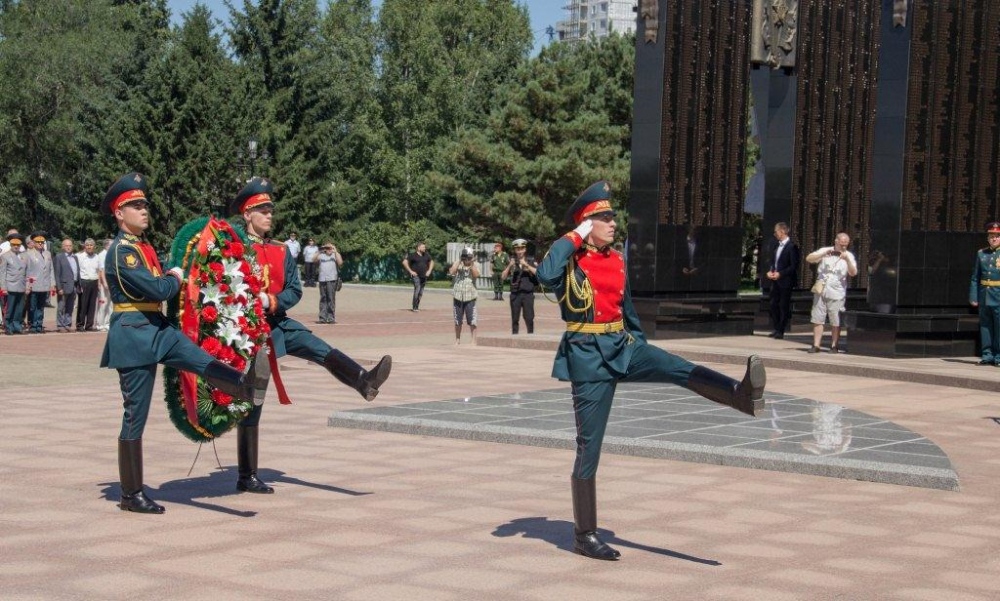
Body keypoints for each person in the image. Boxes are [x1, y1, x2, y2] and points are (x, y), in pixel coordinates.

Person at [536, 180, 766, 561]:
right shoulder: (569, 261)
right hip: (589, 359)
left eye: (613, 216)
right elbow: (544, 275)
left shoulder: (617, 260)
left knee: (675, 366)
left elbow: (626, 308)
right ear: (586, 225)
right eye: (605, 218)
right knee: (589, 447)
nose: (614, 223)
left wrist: (640, 345)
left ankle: (740, 395)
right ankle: (584, 534)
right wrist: (575, 235)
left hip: (623, 347)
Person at [99, 172, 257, 514]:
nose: (144, 210)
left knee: (198, 358)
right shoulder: (122, 253)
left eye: (144, 204)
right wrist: (174, 275)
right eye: (135, 206)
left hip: (156, 327)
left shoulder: (142, 246)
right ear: (119, 214)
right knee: (135, 414)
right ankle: (130, 494)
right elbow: (158, 290)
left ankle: (241, 385)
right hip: (133, 333)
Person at [230, 177, 392, 494]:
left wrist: (272, 301)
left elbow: (294, 290)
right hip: (250, 329)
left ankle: (363, 380)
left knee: (317, 346)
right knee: (254, 396)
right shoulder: (234, 249)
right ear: (247, 214)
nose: (269, 215)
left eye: (271, 210)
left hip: (277, 320)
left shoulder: (280, 251)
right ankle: (246, 475)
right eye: (262, 210)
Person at [804, 233, 858, 353]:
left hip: (837, 291)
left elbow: (853, 273)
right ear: (836, 241)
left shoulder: (849, 255)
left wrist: (847, 260)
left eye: (846, 244)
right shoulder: (826, 250)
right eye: (841, 244)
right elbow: (809, 258)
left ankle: (834, 345)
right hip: (821, 289)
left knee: (835, 319)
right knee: (818, 318)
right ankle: (816, 345)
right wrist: (823, 254)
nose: (843, 246)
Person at [969, 221, 1000, 366]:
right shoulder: (981, 254)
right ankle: (987, 355)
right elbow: (975, 277)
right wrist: (973, 296)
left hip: (998, 296)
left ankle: (999, 356)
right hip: (984, 296)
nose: (994, 239)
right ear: (988, 238)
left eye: (997, 236)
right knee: (985, 326)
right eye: (991, 236)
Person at [765, 221, 799, 339]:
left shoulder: (792, 246)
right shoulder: (776, 246)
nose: (775, 234)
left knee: (783, 305)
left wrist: (781, 274)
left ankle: (781, 329)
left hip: (786, 281)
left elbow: (793, 266)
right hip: (775, 280)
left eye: (776, 232)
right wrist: (771, 271)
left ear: (782, 231)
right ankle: (776, 327)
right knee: (773, 304)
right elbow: (774, 262)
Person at [502, 238, 538, 334]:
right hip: (515, 294)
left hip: (528, 294)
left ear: (525, 249)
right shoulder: (512, 261)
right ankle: (515, 336)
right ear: (515, 250)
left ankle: (530, 335)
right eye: (518, 249)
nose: (520, 251)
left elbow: (537, 273)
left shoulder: (530, 260)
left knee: (529, 318)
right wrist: (509, 266)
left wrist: (526, 265)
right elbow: (503, 277)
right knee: (515, 318)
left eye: (522, 248)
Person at [23, 232, 55, 334]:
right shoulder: (28, 254)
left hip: (44, 284)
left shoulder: (47, 254)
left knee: (41, 307)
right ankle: (33, 325)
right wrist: (27, 285)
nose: (40, 244)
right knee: (33, 306)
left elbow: (51, 269)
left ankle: (39, 325)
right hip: (34, 285)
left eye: (42, 242)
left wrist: (52, 283)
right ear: (34, 242)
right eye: (38, 242)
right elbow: (25, 271)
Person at [448, 247, 480, 344]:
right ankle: (457, 339)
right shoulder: (458, 263)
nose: (467, 259)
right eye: (465, 257)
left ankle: (473, 340)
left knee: (472, 320)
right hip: (458, 295)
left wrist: (471, 263)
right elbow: (451, 272)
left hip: (470, 296)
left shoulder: (475, 264)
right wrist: (459, 261)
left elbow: (476, 275)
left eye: (469, 257)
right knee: (458, 320)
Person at [0, 232, 28, 335]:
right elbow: (2, 273)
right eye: (14, 244)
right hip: (10, 286)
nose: (16, 246)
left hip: (21, 286)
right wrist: (3, 287)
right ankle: (8, 326)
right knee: (10, 308)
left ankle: (17, 326)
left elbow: (27, 272)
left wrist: (27, 286)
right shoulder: (5, 256)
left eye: (18, 244)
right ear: (10, 244)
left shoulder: (24, 256)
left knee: (19, 309)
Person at [53, 238, 80, 333]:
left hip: (74, 285)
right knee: (61, 306)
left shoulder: (75, 257)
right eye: (66, 246)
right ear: (63, 247)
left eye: (70, 246)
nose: (68, 247)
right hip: (63, 286)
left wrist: (78, 284)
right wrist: (59, 287)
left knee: (70, 306)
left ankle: (67, 324)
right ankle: (60, 325)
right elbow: (57, 274)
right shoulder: (59, 257)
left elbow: (77, 271)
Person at [76, 238, 102, 332]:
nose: (89, 247)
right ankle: (80, 325)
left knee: (92, 305)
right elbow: (77, 270)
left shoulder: (97, 257)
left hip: (94, 281)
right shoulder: (79, 256)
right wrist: (78, 284)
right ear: (85, 246)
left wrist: (99, 283)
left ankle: (89, 325)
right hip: (84, 281)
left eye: (91, 245)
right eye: (87, 245)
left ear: (94, 247)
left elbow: (99, 270)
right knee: (83, 305)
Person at [402, 242, 434, 312]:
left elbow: (431, 262)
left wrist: (429, 271)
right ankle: (414, 307)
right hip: (416, 276)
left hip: (424, 276)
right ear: (418, 248)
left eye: (424, 247)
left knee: (421, 292)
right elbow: (404, 262)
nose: (424, 248)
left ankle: (416, 306)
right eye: (423, 247)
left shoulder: (426, 255)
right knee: (417, 288)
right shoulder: (413, 255)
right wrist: (411, 271)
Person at [317, 241, 343, 324]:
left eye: (330, 248)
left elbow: (340, 262)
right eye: (327, 248)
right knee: (323, 298)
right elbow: (313, 259)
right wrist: (319, 250)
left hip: (332, 280)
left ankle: (331, 318)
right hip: (322, 279)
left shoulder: (334, 255)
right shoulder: (321, 255)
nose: (328, 249)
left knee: (331, 298)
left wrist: (335, 251)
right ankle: (322, 318)